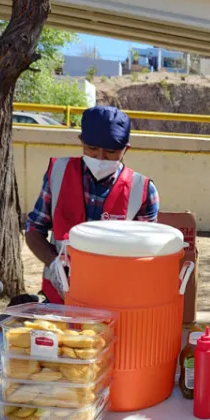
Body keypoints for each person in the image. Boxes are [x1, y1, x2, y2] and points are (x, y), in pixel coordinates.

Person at [25, 106, 160, 303]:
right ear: (81, 142)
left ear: (126, 149)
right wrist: (53, 263)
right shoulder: (58, 173)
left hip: (115, 301)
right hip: (60, 298)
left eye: (111, 152)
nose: (100, 158)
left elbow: (147, 252)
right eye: (92, 149)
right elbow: (34, 228)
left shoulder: (143, 190)